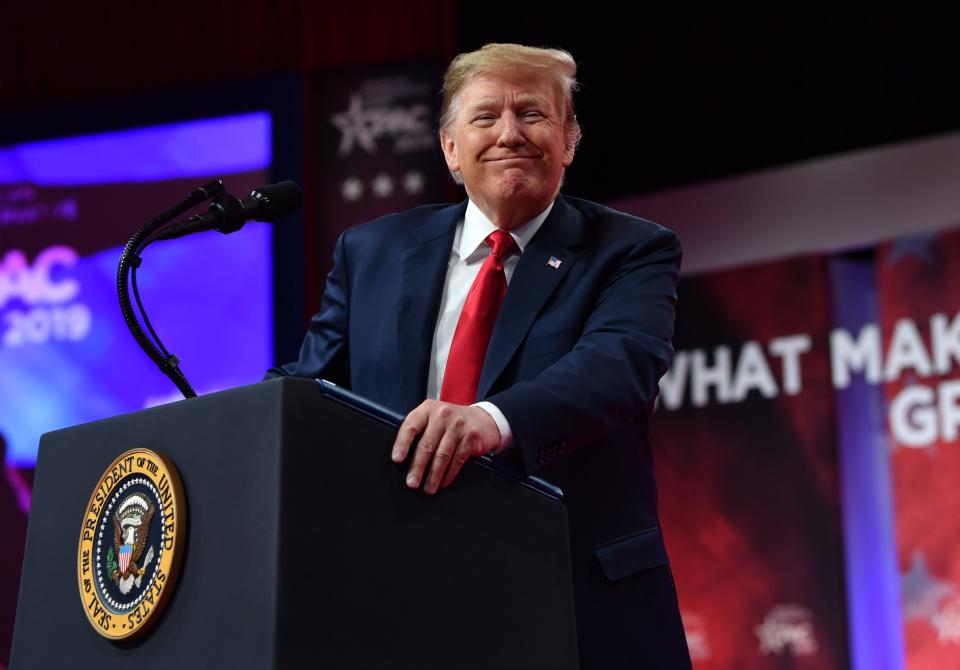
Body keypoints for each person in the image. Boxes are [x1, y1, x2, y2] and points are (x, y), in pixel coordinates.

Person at [269, 43, 691, 668]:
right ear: (449, 149)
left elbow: (616, 366)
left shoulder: (629, 250)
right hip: (399, 606)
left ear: (569, 140)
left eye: (533, 114)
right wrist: (227, 427)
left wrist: (488, 420)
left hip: (575, 603)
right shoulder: (372, 253)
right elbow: (307, 389)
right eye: (486, 116)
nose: (510, 134)